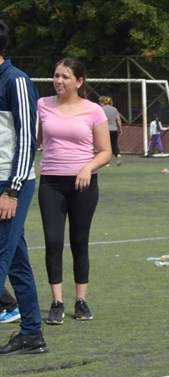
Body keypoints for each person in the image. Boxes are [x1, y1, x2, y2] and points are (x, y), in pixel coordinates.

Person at [36, 57, 111, 324]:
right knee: (53, 241)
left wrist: (87, 168)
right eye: (56, 76)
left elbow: (106, 152)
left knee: (79, 242)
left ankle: (81, 300)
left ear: (79, 81)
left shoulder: (94, 111)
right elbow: (38, 141)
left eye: (65, 77)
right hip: (51, 183)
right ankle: (57, 301)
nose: (58, 81)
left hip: (84, 184)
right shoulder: (42, 105)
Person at [0, 22, 45, 356]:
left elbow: (28, 139)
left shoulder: (16, 80)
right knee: (16, 260)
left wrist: (12, 191)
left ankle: (32, 332)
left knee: (2, 254)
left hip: (11, 182)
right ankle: (32, 333)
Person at [98, 95, 123, 165]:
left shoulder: (101, 109)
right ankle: (118, 155)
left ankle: (107, 162)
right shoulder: (114, 109)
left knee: (105, 146)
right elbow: (118, 120)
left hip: (105, 130)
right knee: (114, 144)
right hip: (114, 129)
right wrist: (120, 129)